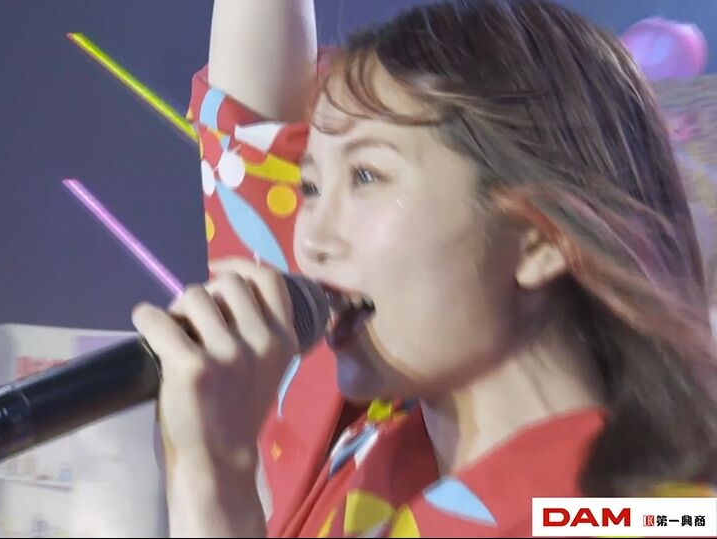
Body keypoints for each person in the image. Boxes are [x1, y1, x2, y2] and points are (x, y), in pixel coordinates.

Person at [132, 0, 717, 536]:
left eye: (366, 176)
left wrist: (213, 493)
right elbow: (249, 137)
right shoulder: (356, 436)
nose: (309, 241)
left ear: (540, 238)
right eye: (309, 187)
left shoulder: (647, 519)